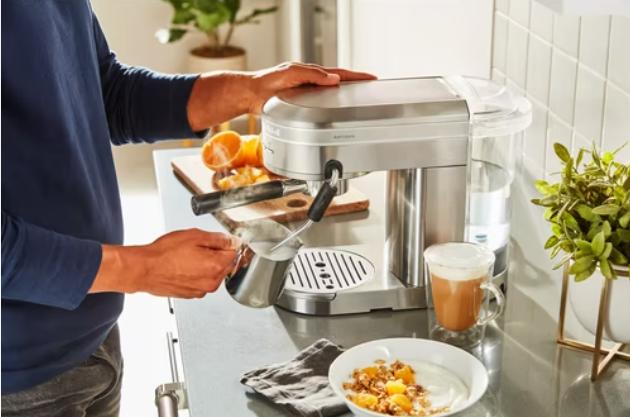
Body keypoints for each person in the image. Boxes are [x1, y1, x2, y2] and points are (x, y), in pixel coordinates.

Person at [1, 2, 375, 416]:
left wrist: (252, 91)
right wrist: (141, 268)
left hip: (92, 333)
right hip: (16, 378)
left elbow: (108, 94)